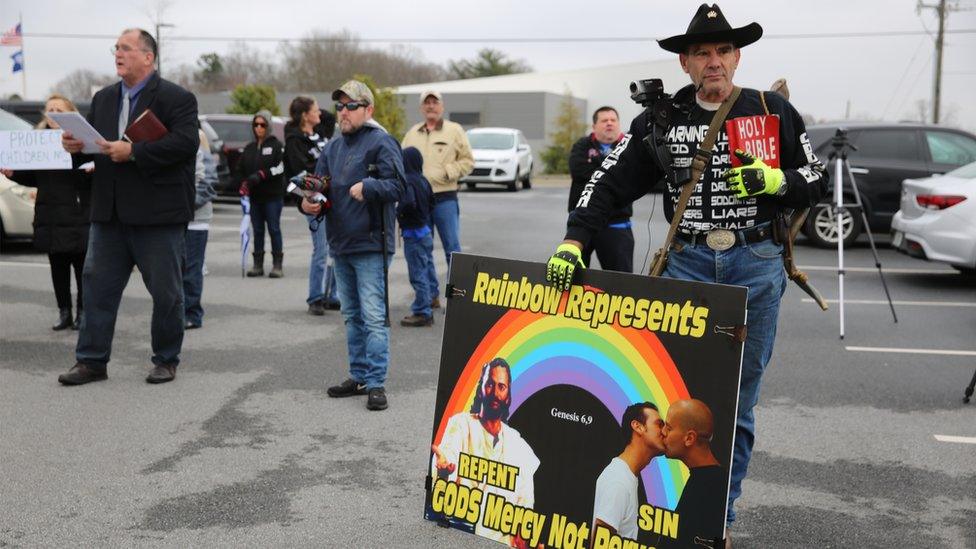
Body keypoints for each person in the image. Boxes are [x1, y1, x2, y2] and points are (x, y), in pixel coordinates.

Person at [545, 3, 829, 538]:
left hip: (757, 264)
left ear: (738, 56)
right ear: (685, 64)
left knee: (737, 402)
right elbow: (608, 182)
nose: (714, 61)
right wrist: (573, 241)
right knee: (678, 403)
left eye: (723, 50)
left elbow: (817, 178)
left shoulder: (773, 110)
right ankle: (664, 515)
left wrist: (777, 182)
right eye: (702, 52)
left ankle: (716, 518)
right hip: (688, 267)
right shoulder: (661, 119)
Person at [58, 28, 199, 385]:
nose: (118, 54)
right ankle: (91, 361)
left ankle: (166, 359)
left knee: (167, 294)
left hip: (158, 216)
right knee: (96, 289)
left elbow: (184, 145)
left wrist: (134, 152)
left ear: (148, 57)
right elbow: (97, 149)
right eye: (115, 48)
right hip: (109, 213)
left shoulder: (176, 98)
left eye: (125, 48)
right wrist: (76, 148)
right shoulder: (104, 98)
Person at [299, 80, 404, 411]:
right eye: (339, 107)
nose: (342, 112)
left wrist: (369, 186)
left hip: (371, 242)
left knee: (373, 316)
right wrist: (310, 202)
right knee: (351, 314)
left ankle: (376, 382)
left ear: (368, 109)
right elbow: (319, 188)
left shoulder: (382, 143)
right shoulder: (332, 148)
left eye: (350, 106)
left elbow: (400, 185)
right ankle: (359, 376)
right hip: (340, 242)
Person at [1, 94, 91, 331]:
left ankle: (83, 312)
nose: (54, 114)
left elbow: (91, 173)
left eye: (60, 110)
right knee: (57, 267)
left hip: (77, 213)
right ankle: (64, 312)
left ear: (71, 113)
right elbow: (35, 177)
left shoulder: (82, 142)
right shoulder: (38, 142)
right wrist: (14, 174)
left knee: (82, 268)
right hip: (49, 214)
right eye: (50, 110)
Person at [430, 358, 540, 547]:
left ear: (508, 394)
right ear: (481, 387)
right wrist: (442, 472)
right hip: (463, 535)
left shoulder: (517, 444)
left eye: (501, 386)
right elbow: (447, 464)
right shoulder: (461, 424)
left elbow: (525, 505)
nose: (495, 393)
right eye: (490, 384)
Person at [401, 90, 474, 308]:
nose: (431, 106)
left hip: (445, 199)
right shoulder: (412, 133)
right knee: (424, 250)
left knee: (452, 249)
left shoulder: (454, 131)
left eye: (435, 102)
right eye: (427, 103)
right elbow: (401, 162)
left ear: (442, 106)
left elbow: (468, 161)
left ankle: (458, 298)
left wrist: (448, 171)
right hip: (419, 203)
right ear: (422, 108)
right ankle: (429, 295)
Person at [283, 95, 339, 315]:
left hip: (333, 196)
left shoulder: (321, 132)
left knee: (334, 249)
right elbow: (299, 175)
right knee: (321, 248)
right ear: (305, 115)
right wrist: (306, 200)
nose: (319, 112)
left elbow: (330, 116)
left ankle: (331, 295)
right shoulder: (294, 140)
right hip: (314, 198)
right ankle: (315, 296)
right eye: (314, 110)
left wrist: (312, 107)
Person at [569, 106, 634, 273]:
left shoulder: (630, 148)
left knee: (620, 282)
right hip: (582, 222)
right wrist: (614, 175)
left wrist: (599, 170)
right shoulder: (582, 146)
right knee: (574, 277)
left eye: (613, 120)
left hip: (617, 224)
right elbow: (579, 172)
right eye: (604, 120)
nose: (609, 124)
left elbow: (631, 177)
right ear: (594, 126)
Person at [591, 402, 666, 544]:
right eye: (659, 424)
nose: (664, 431)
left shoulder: (626, 476)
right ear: (638, 426)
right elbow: (598, 543)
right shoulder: (618, 479)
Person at [661, 399, 725, 547]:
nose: (663, 432)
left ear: (689, 438)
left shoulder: (706, 489)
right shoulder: (711, 479)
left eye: (669, 428)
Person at [239, 110, 285, 278]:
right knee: (257, 230)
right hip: (255, 198)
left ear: (269, 126)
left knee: (273, 228)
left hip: (272, 196)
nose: (259, 128)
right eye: (256, 125)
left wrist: (262, 175)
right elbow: (241, 170)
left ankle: (277, 265)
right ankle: (257, 264)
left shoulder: (276, 145)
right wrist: (243, 183)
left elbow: (280, 168)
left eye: (263, 125)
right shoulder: (249, 148)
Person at [397, 147, 437, 327]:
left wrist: (400, 214)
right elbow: (432, 203)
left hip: (412, 233)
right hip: (425, 230)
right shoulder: (423, 180)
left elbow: (407, 203)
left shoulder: (407, 182)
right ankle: (432, 297)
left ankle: (422, 311)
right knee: (427, 266)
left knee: (417, 273)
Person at [183, 127, 217, 330]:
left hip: (196, 220)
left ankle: (193, 313)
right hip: (176, 219)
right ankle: (180, 311)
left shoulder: (199, 139)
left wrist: (183, 206)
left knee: (192, 269)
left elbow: (208, 184)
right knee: (176, 270)